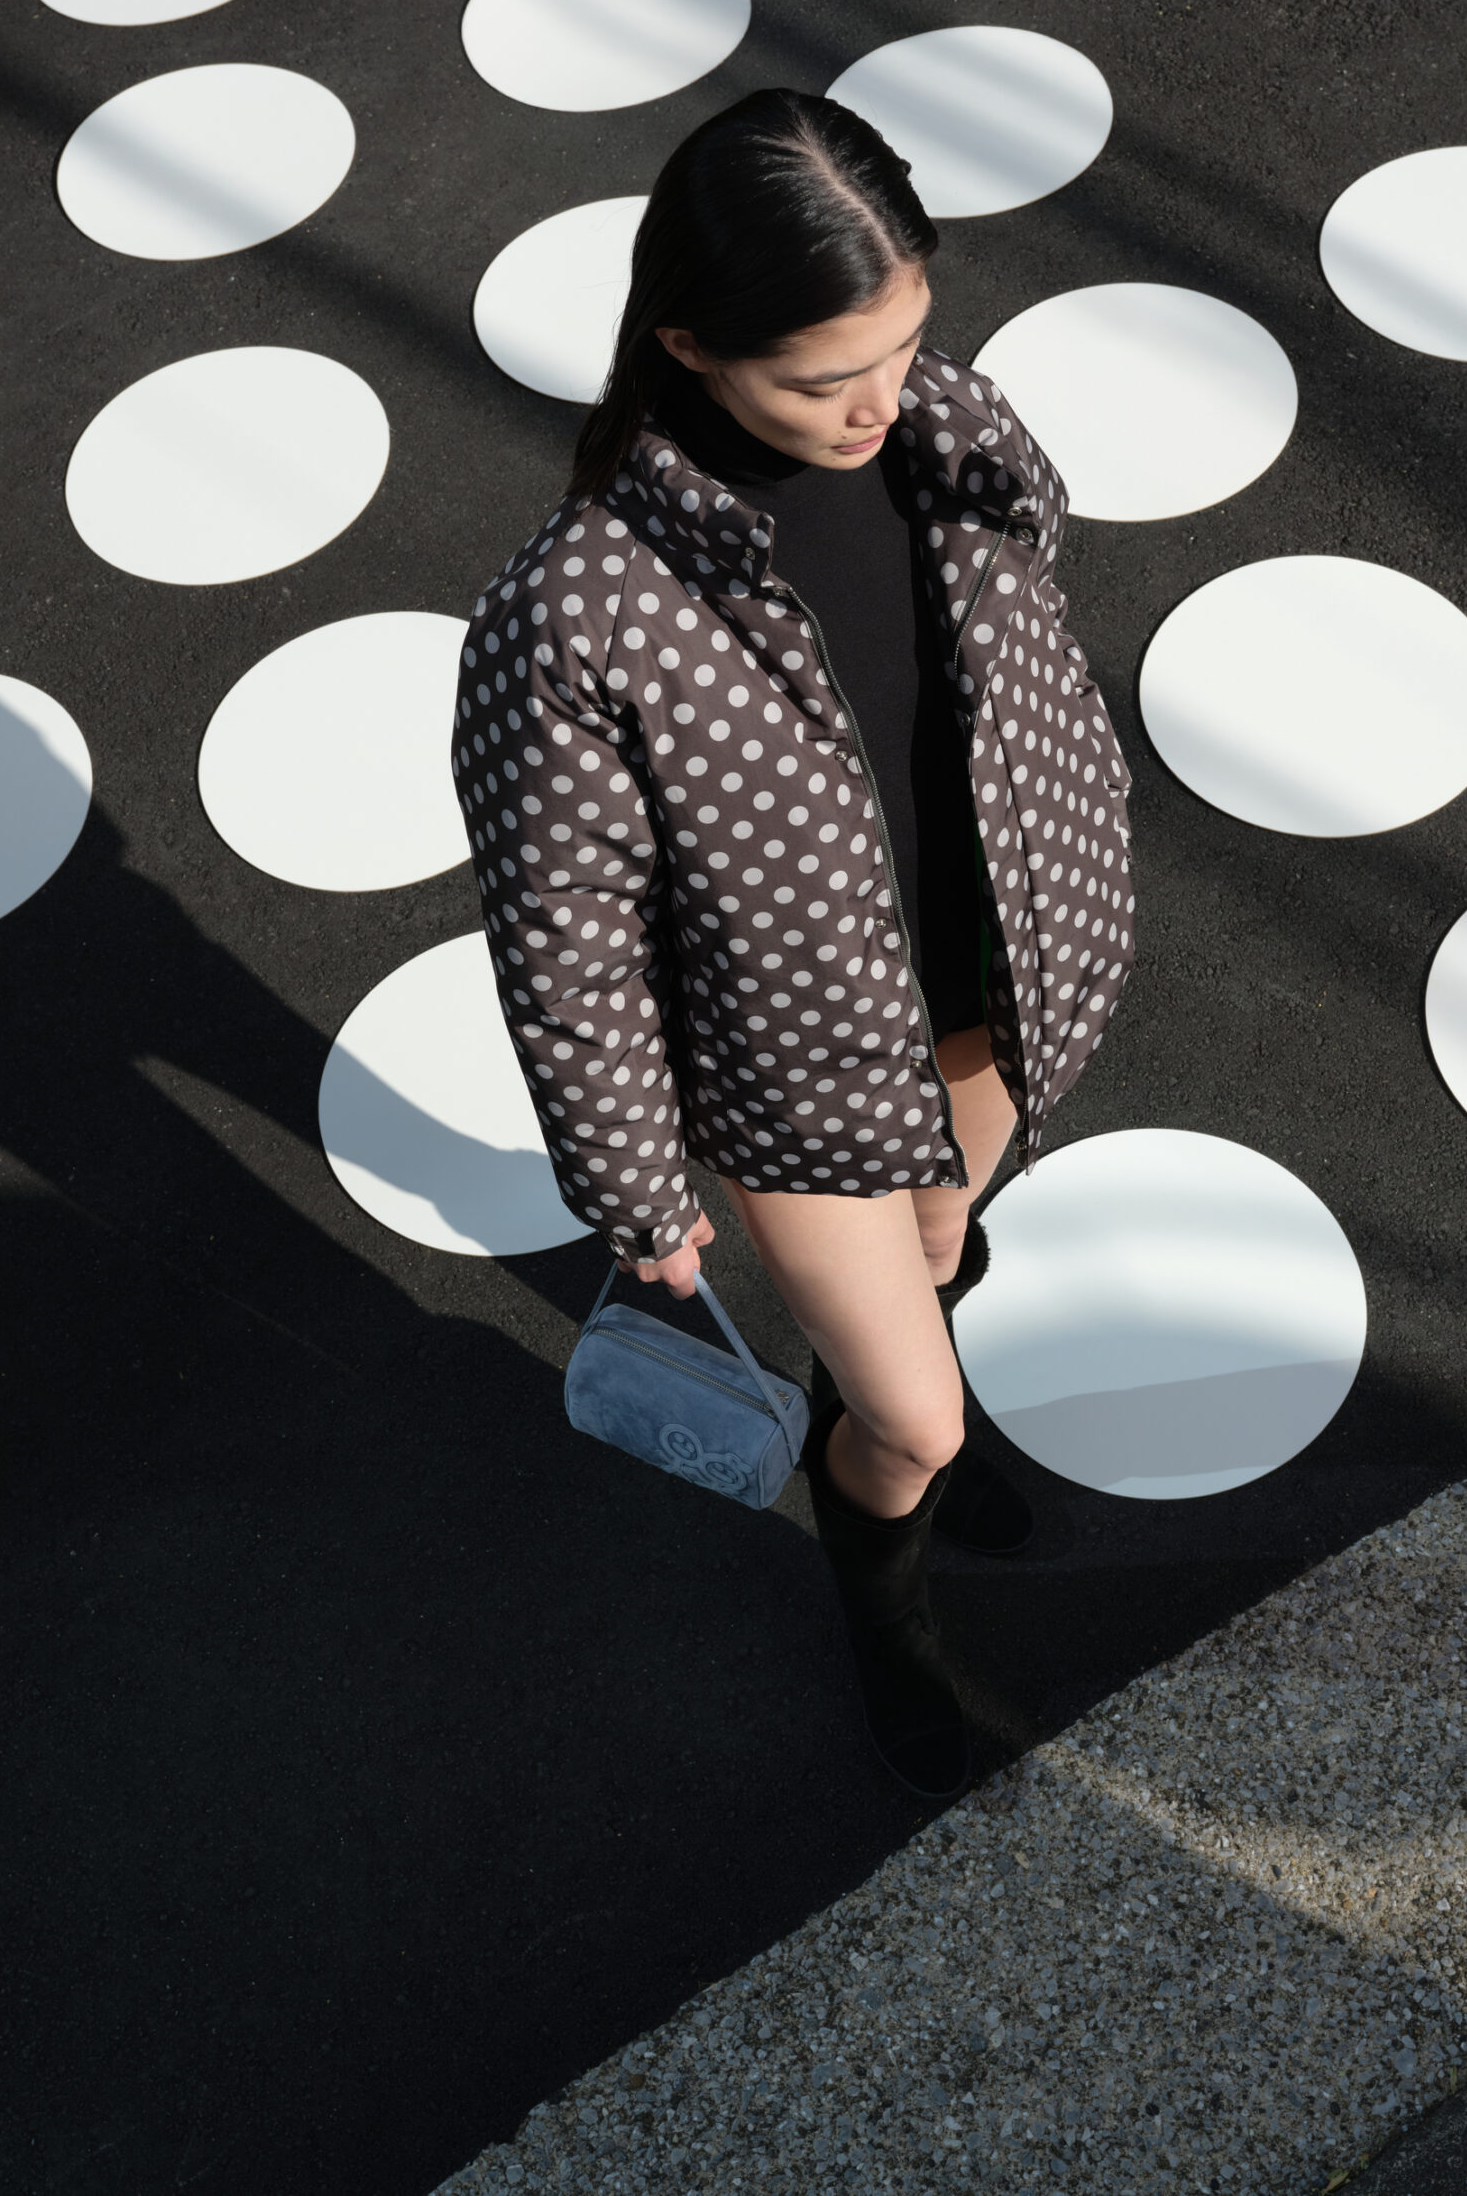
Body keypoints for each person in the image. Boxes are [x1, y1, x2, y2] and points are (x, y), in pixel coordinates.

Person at [455, 89, 1134, 1797]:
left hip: (990, 987)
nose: (878, 402)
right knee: (912, 1416)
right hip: (797, 1074)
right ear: (687, 345)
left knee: (945, 1247)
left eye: (901, 344)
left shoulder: (951, 424)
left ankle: (905, 1420)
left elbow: (1036, 598)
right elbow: (564, 938)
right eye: (823, 376)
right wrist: (632, 1182)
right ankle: (885, 1596)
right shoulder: (580, 612)